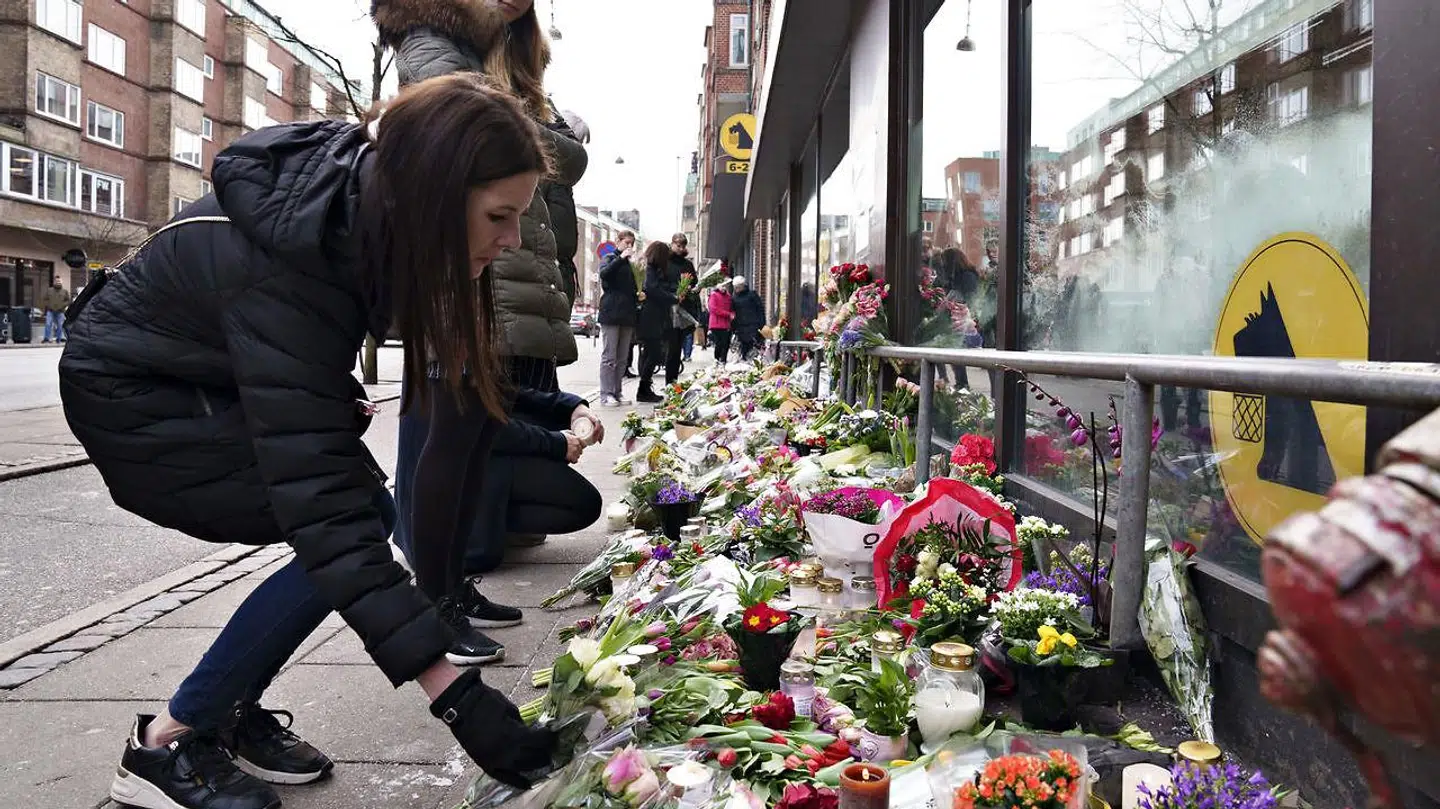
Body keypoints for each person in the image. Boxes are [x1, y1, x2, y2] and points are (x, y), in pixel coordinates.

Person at [58, 74, 556, 809]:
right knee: (347, 526)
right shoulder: (291, 262)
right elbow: (326, 515)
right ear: (432, 192)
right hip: (138, 402)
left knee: (359, 518)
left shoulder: (350, 210)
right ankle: (164, 744)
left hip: (193, 379)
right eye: (498, 216)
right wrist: (454, 693)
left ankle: (225, 704)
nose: (511, 239)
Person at [635, 240, 680, 403]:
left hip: (653, 316)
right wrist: (673, 298)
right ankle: (644, 388)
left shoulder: (651, 269)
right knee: (654, 353)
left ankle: (645, 388)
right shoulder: (651, 269)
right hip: (651, 316)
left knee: (651, 353)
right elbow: (653, 290)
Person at [597, 231, 639, 406]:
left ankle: (617, 391)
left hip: (627, 313)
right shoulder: (609, 258)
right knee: (610, 356)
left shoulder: (631, 264)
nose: (629, 246)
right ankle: (606, 393)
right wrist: (621, 258)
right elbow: (604, 274)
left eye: (632, 243)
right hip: (611, 312)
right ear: (618, 241)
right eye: (626, 242)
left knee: (622, 357)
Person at [731, 275, 765, 360]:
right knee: (743, 348)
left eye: (738, 287)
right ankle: (745, 360)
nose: (736, 289)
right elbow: (733, 312)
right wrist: (733, 327)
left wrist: (761, 324)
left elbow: (760, 309)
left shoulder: (752, 295)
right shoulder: (734, 297)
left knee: (754, 346)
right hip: (741, 327)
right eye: (735, 287)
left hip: (753, 326)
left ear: (743, 285)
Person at [708, 279, 735, 363]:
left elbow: (732, 307)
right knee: (719, 343)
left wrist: (732, 314)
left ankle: (723, 360)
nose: (724, 288)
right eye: (722, 286)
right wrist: (728, 314)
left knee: (726, 343)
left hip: (726, 324)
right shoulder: (714, 295)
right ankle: (717, 359)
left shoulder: (728, 296)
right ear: (718, 286)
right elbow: (714, 309)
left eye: (725, 286)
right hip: (716, 324)